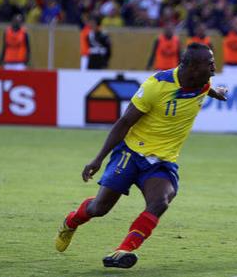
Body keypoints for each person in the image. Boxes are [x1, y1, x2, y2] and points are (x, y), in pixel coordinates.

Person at [55, 43, 227, 269]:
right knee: (99, 208)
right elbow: (124, 122)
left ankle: (124, 250)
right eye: (210, 62)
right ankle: (71, 221)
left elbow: (207, 88)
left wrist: (218, 93)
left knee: (161, 200)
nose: (214, 65)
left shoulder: (204, 82)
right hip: (131, 153)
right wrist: (98, 159)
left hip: (161, 162)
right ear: (193, 67)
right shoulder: (156, 86)